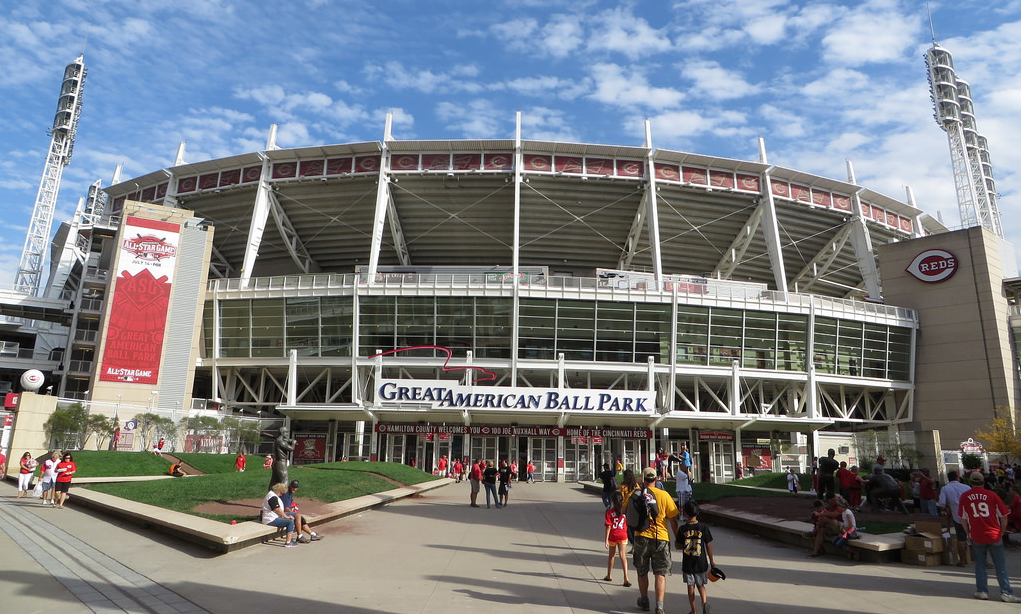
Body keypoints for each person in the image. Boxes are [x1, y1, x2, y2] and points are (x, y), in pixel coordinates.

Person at [960, 471, 1021, 602]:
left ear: (970, 482)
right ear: (983, 482)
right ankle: (1006, 592)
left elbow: (963, 519)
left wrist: (968, 533)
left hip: (977, 535)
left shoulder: (965, 497)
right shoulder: (992, 495)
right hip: (994, 534)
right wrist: (1002, 531)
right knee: (1000, 566)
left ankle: (981, 590)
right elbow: (1003, 516)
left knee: (980, 565)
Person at [632, 467, 680, 614]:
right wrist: (678, 537)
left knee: (642, 571)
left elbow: (625, 512)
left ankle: (644, 599)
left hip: (641, 536)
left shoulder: (636, 494)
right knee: (660, 573)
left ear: (643, 479)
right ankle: (659, 606)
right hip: (661, 538)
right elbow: (673, 520)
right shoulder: (665, 495)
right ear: (656, 479)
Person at [678, 500, 716, 614]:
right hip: (701, 562)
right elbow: (708, 545)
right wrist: (712, 561)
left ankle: (693, 610)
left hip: (688, 563)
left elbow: (679, 545)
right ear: (698, 513)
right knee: (701, 585)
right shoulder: (703, 528)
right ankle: (704, 603)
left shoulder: (683, 529)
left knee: (691, 587)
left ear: (685, 513)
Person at [938, 470, 972, 567]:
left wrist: (947, 507)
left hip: (958, 516)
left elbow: (942, 503)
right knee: (976, 538)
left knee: (961, 539)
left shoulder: (945, 488)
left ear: (948, 479)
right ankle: (979, 559)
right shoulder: (966, 487)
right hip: (971, 515)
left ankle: (962, 560)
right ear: (958, 478)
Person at [603, 490, 631, 587]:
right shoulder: (624, 511)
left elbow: (608, 527)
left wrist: (606, 540)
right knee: (623, 556)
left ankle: (609, 575)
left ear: (613, 501)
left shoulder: (610, 512)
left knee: (612, 555)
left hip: (613, 536)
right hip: (623, 535)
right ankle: (626, 577)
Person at [261, 482, 298, 547]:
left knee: (296, 515)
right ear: (278, 490)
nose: (281, 495)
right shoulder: (272, 497)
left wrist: (286, 515)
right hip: (270, 519)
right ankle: (288, 542)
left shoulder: (273, 495)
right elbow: (277, 509)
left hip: (275, 516)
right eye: (281, 493)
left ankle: (299, 535)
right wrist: (286, 517)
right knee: (290, 521)